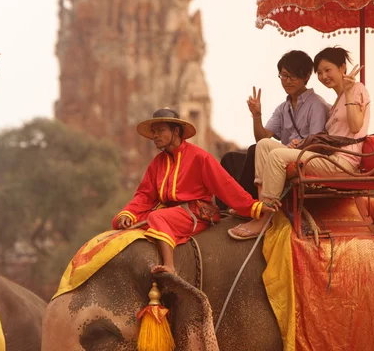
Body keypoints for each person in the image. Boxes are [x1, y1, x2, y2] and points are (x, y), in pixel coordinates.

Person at [229, 47, 369, 240]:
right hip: (328, 158)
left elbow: (355, 126)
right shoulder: (336, 102)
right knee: (262, 146)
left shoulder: (355, 90)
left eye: (328, 70)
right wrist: (257, 115)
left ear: (343, 68)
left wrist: (350, 91)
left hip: (342, 163)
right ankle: (262, 208)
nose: (324, 76)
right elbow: (264, 136)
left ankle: (265, 219)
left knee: (277, 156)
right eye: (320, 72)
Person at [112, 108, 276, 273]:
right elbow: (145, 195)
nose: (155, 135)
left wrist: (255, 206)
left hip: (194, 213)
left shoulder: (199, 157)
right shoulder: (157, 163)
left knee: (157, 217)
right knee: (127, 222)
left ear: (176, 131)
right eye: (154, 131)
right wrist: (128, 213)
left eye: (160, 131)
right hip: (170, 212)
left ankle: (169, 267)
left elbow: (225, 186)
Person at [218, 50, 330, 208]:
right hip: (276, 154)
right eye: (284, 75)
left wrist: (299, 145)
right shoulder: (283, 108)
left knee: (254, 150)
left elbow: (316, 142)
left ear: (306, 76)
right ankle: (223, 210)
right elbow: (263, 137)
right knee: (230, 159)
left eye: (293, 76)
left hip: (298, 157)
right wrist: (257, 115)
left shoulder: (317, 104)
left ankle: (247, 206)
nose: (287, 81)